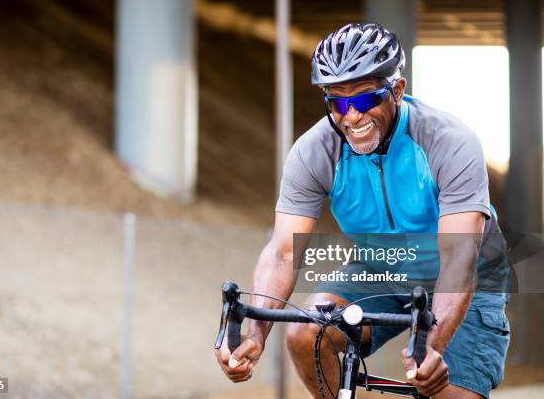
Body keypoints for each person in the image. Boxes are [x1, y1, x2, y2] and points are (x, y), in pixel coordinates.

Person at [215, 23, 510, 398]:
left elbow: (458, 253)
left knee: (443, 388)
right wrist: (254, 334)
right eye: (338, 102)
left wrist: (432, 347)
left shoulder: (448, 141)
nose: (352, 116)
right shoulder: (315, 150)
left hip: (467, 271)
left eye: (366, 99)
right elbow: (282, 252)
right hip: (380, 264)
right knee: (307, 334)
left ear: (397, 90)